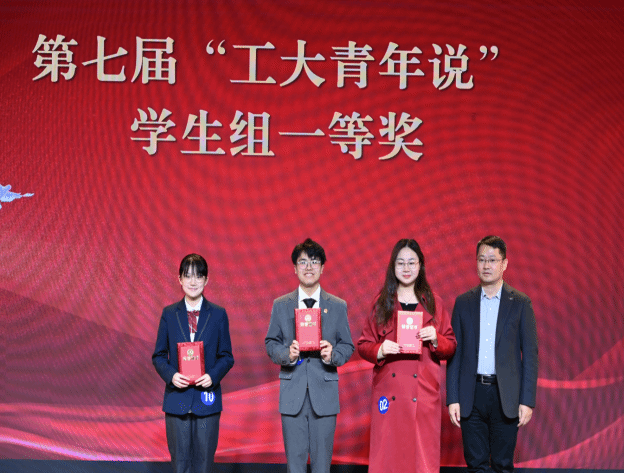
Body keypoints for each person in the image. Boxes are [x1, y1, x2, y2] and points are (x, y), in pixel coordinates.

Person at [357, 239, 456, 473]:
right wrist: (380, 349)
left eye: (412, 262)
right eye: (400, 263)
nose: (406, 268)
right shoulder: (381, 304)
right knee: (388, 459)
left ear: (420, 265)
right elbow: (363, 344)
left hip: (423, 395)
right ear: (393, 267)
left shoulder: (434, 304)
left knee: (421, 461)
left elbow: (451, 346)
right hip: (389, 394)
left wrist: (436, 339)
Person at [446, 235, 538, 473]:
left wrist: (527, 401)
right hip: (471, 395)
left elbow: (530, 355)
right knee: (476, 465)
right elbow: (455, 353)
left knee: (502, 465)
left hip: (505, 395)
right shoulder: (463, 303)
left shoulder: (520, 303)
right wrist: (453, 398)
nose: (486, 265)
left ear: (504, 263)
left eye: (492, 260)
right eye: (481, 259)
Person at [265, 238, 354, 473]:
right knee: (295, 466)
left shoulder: (337, 306)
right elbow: (271, 343)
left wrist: (332, 355)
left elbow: (347, 346)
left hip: (324, 393)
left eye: (314, 262)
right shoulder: (281, 305)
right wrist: (288, 354)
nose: (308, 267)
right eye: (303, 262)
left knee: (322, 466)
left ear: (322, 268)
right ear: (295, 268)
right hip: (292, 393)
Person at [152, 254, 234, 473]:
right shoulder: (169, 314)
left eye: (198, 276)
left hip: (207, 399)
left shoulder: (218, 314)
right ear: (179, 279)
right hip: (177, 399)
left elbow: (227, 356)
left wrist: (212, 376)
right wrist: (171, 376)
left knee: (204, 464)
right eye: (188, 276)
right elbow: (158, 355)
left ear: (206, 280)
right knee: (180, 465)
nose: (193, 281)